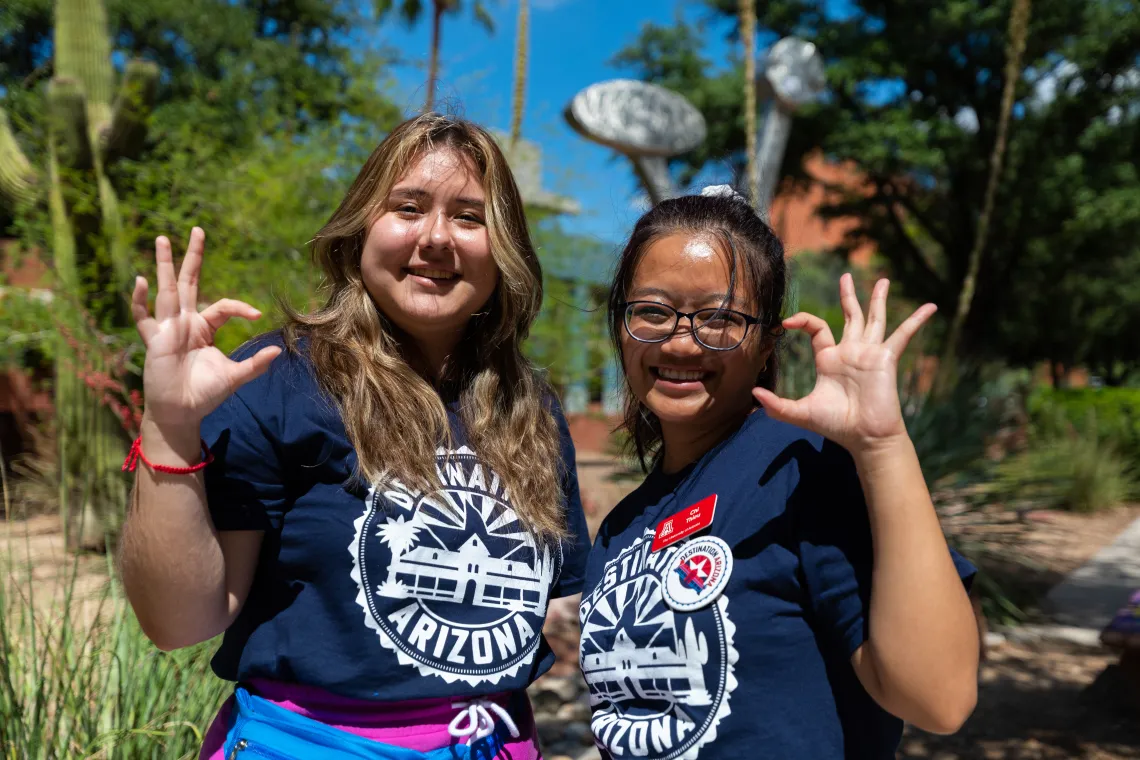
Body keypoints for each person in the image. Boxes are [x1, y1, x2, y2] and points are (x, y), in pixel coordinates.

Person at [117, 114, 591, 760]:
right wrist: (169, 428)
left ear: (504, 250)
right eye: (409, 207)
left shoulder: (530, 409)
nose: (435, 238)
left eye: (469, 217)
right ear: (360, 229)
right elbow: (177, 623)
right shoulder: (279, 381)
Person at [578, 186, 979, 759]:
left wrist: (882, 446)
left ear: (768, 340)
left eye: (719, 317)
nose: (681, 340)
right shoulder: (621, 528)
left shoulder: (805, 470)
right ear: (620, 326)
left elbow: (938, 698)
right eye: (652, 311)